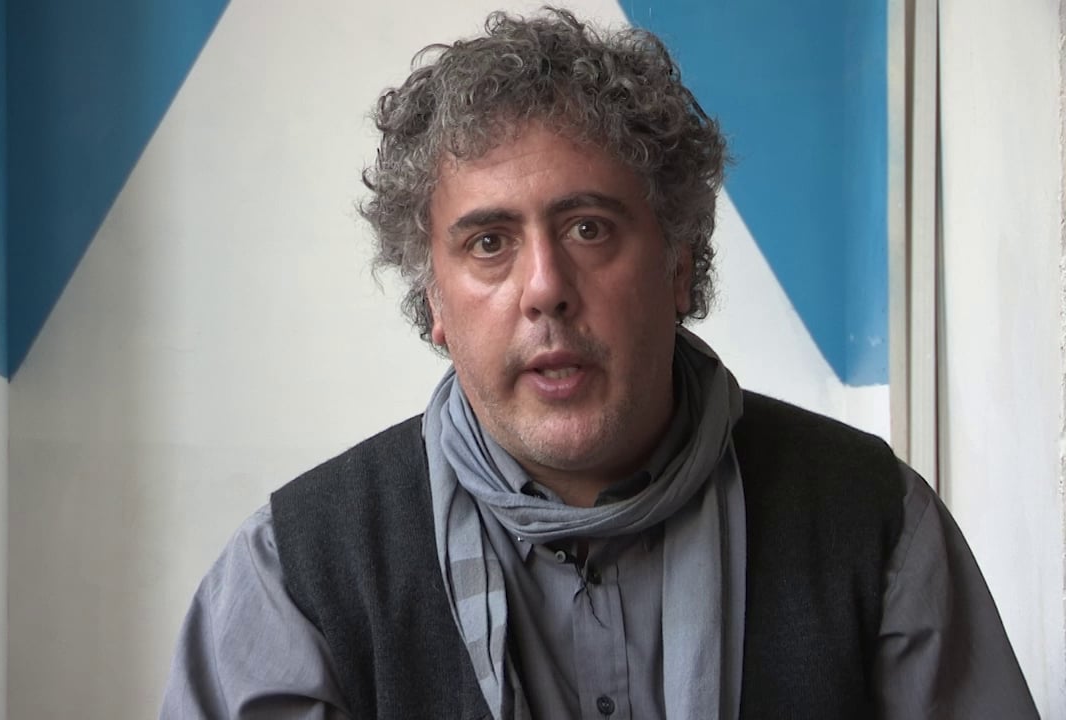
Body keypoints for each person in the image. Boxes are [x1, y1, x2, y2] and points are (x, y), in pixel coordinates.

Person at [160, 8, 1037, 719]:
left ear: (679, 265)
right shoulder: (295, 577)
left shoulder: (877, 527)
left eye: (588, 228)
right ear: (435, 304)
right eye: (489, 242)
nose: (545, 288)